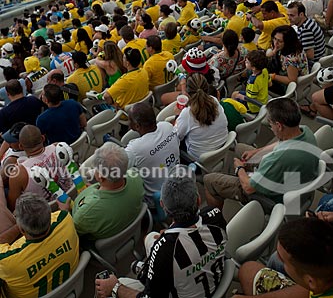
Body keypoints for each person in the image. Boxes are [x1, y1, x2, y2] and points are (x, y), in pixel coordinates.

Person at [95, 166, 227, 298]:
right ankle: (149, 272)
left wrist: (115, 287)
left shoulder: (164, 250)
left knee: (112, 286)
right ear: (198, 200)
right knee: (151, 238)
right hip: (216, 282)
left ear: (163, 206)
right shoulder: (215, 216)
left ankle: (146, 274)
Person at [204, 98, 319, 210]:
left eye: (270, 124)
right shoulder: (305, 131)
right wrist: (256, 151)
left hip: (273, 197)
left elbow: (248, 188)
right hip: (293, 180)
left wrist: (239, 169)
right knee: (240, 148)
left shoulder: (279, 159)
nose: (271, 128)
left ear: (279, 126)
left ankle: (215, 221)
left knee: (209, 180)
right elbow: (281, 143)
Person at [59, 142, 144, 242]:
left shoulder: (86, 213)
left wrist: (65, 212)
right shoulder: (136, 177)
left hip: (104, 241)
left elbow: (72, 233)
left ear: (101, 177)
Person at [0, 192, 79, 298]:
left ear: (22, 230)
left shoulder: (7, 260)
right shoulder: (65, 219)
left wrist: (19, 223)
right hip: (71, 288)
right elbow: (63, 212)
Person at [235, 217, 333, 298]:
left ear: (310, 281)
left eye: (283, 260)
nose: (278, 258)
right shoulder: (320, 280)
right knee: (247, 269)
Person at [7, 125, 73, 211]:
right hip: (73, 197)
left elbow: (13, 207)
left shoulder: (18, 173)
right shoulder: (59, 147)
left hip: (46, 217)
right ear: (43, 138)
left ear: (21, 146)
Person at [125, 102, 180, 206]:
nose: (128, 123)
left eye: (130, 120)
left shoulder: (134, 149)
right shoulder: (167, 126)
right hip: (179, 183)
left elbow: (116, 166)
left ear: (137, 126)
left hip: (157, 200)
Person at [175, 73, 228, 160]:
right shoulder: (214, 100)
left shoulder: (187, 113)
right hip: (222, 148)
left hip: (199, 158)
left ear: (188, 93)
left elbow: (178, 136)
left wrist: (177, 115)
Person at [267, 25, 309, 95]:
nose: (275, 43)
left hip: (289, 87)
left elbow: (292, 80)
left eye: (279, 41)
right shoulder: (291, 46)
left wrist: (272, 76)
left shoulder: (290, 59)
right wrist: (274, 52)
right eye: (274, 38)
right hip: (282, 71)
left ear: (288, 42)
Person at [287, 1, 326, 66]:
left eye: (292, 15)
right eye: (288, 15)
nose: (289, 18)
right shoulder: (308, 21)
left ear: (301, 14)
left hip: (313, 63)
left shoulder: (306, 30)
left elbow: (310, 56)